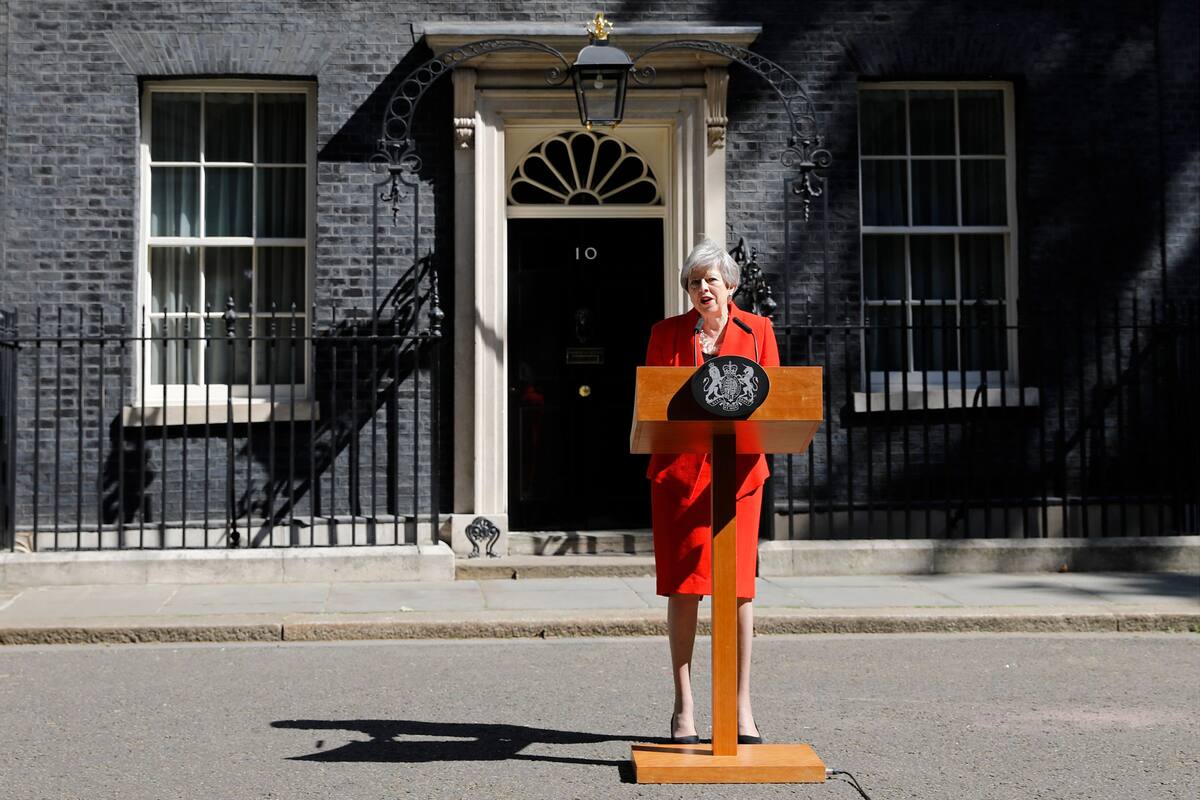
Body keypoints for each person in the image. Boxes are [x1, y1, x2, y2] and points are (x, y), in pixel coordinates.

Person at [643, 238, 780, 745]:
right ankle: (684, 705)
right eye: (694, 281)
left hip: (739, 479)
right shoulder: (665, 335)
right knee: (684, 588)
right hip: (680, 478)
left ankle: (741, 706)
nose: (703, 288)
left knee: (740, 589)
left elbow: (778, 401)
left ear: (731, 286)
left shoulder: (759, 331)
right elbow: (654, 404)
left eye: (711, 280)